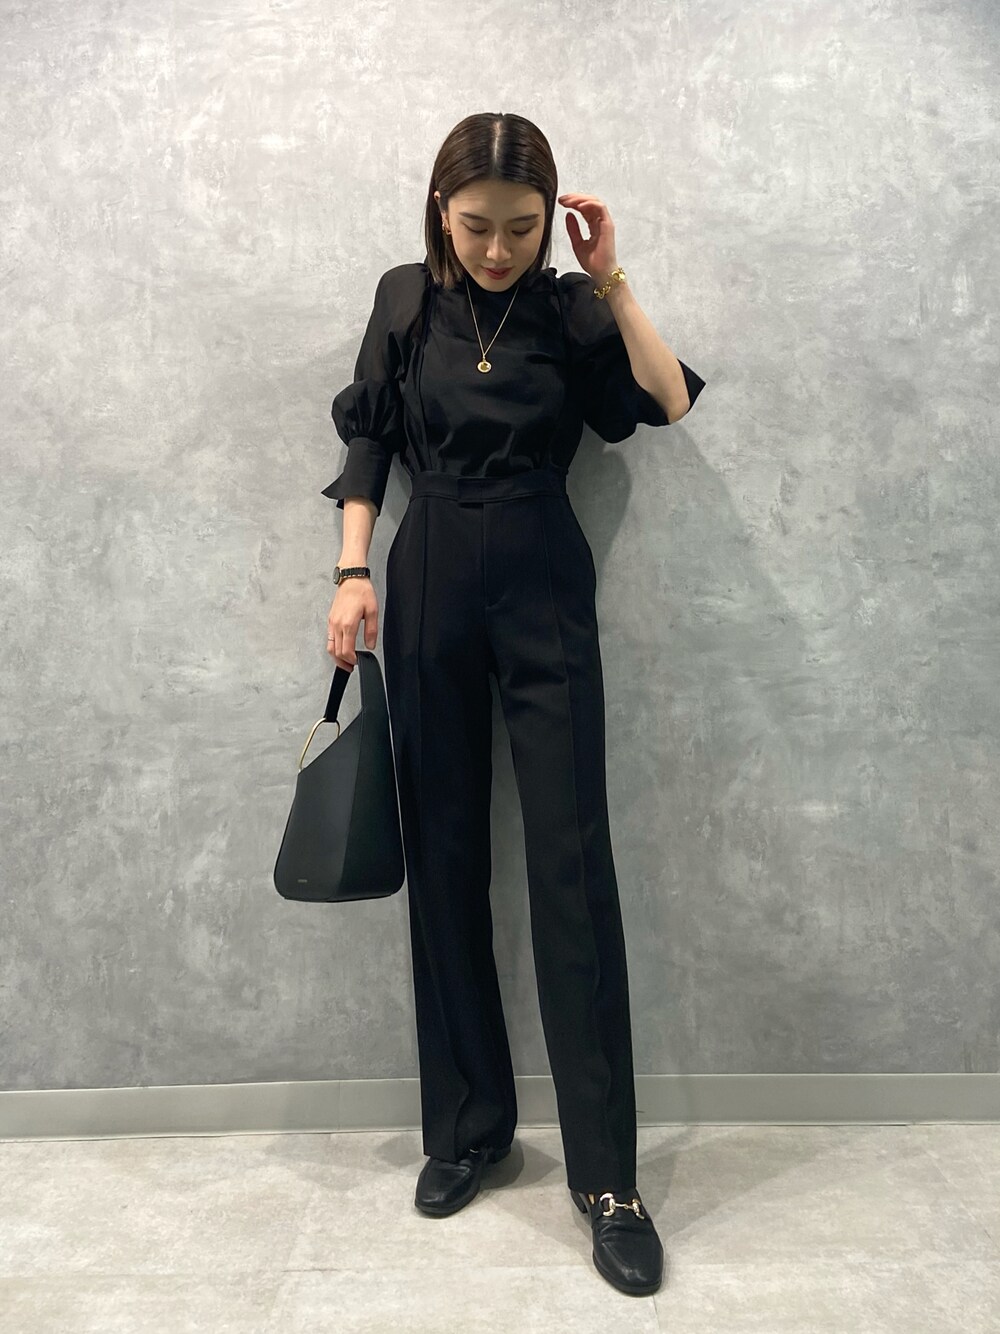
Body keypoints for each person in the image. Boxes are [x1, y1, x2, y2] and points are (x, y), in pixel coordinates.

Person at [321, 112, 705, 1298]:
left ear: (550, 223)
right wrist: (349, 572)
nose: (497, 249)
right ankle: (469, 1127)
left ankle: (608, 1180)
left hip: (542, 571)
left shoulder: (570, 307)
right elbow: (369, 441)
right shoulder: (403, 298)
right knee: (442, 854)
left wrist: (610, 275)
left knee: (570, 863)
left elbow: (666, 402)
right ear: (440, 211)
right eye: (476, 225)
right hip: (429, 566)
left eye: (521, 228)